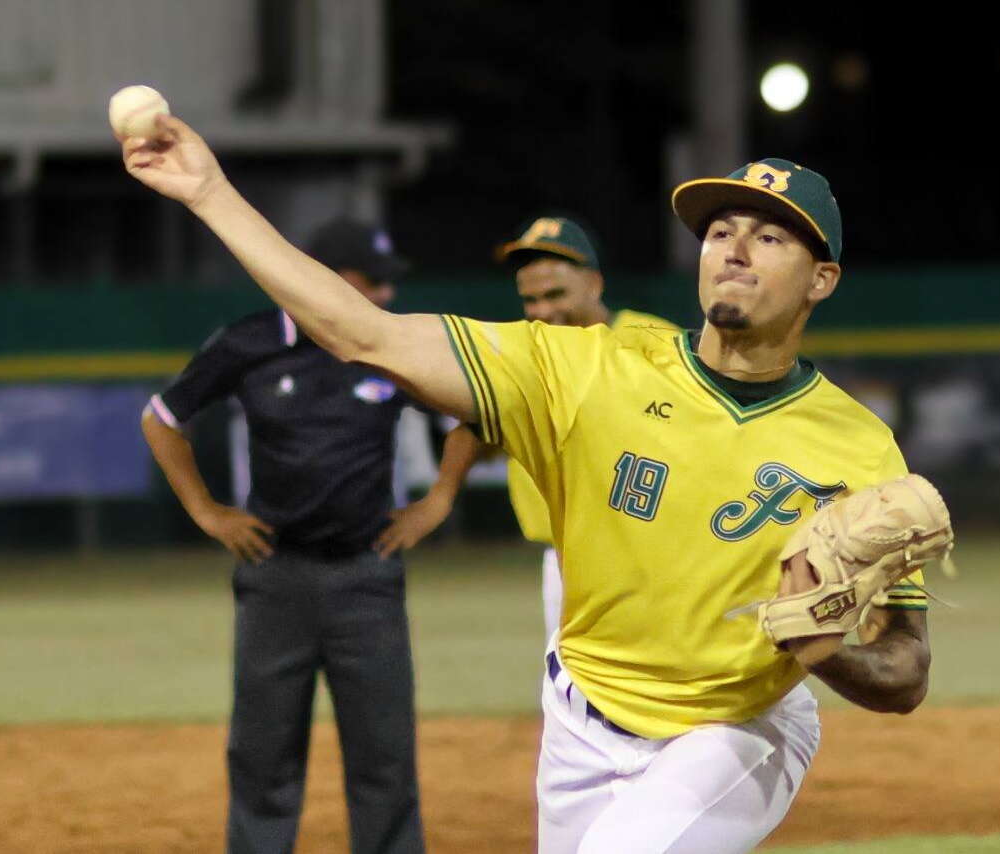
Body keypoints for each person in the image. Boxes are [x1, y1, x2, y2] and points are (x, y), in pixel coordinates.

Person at [123, 119, 932, 854]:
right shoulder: (583, 372)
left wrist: (825, 650)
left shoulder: (859, 448)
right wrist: (210, 193)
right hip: (579, 720)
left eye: (769, 237)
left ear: (821, 279)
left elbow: (905, 672)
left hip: (735, 730)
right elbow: (362, 332)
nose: (733, 248)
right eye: (720, 230)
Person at [140, 217, 425, 854]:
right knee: (263, 756)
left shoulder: (395, 344)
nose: (384, 295)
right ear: (323, 279)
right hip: (276, 578)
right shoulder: (251, 343)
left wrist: (435, 504)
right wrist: (209, 513)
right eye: (372, 281)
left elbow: (476, 415)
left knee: (384, 758)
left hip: (367, 576)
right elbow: (162, 420)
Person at [376, 215, 678, 646]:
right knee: (573, 697)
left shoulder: (654, 342)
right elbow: (477, 422)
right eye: (530, 300)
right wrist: (441, 495)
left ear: (594, 284)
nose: (543, 311)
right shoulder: (529, 353)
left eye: (555, 294)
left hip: (652, 553)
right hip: (565, 562)